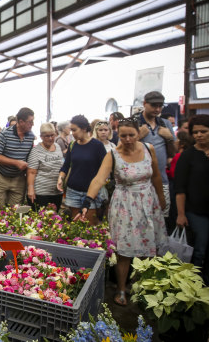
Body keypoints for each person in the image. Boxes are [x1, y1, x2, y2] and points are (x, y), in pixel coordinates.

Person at [79, 118, 167, 306]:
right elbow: (99, 179)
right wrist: (87, 201)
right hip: (125, 204)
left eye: (131, 135)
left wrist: (161, 198)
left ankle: (144, 288)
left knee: (148, 247)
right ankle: (121, 288)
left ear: (138, 133)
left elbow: (157, 176)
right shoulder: (112, 154)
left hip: (148, 201)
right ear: (118, 134)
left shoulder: (148, 149)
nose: (127, 139)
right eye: (123, 135)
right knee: (125, 250)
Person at [175, 114, 209, 285]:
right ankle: (193, 285)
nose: (199, 135)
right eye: (196, 132)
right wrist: (181, 213)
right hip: (196, 209)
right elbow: (180, 188)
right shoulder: (188, 155)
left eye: (204, 131)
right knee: (199, 249)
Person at [57, 115, 107, 225]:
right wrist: (61, 178)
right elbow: (66, 166)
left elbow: (105, 169)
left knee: (89, 226)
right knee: (76, 226)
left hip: (91, 193)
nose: (72, 133)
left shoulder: (97, 146)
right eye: (71, 130)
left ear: (84, 129)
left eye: (74, 130)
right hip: (73, 191)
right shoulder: (72, 145)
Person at [138, 91, 175, 218]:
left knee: (162, 216)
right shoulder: (133, 122)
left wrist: (169, 138)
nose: (157, 109)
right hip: (139, 181)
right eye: (154, 105)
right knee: (141, 217)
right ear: (145, 104)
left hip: (162, 178)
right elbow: (120, 149)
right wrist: (137, 137)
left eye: (160, 106)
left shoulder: (165, 123)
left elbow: (173, 151)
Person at [0, 107, 35, 209]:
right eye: (30, 122)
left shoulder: (31, 136)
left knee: (15, 211)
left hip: (18, 179)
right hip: (0, 177)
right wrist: (16, 163)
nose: (32, 124)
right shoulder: (4, 134)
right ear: (21, 121)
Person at [27, 123, 64, 211]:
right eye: (47, 136)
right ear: (41, 136)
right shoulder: (36, 151)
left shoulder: (58, 147)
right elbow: (31, 172)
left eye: (52, 135)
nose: (51, 138)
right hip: (41, 192)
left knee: (55, 220)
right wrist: (30, 189)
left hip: (56, 191)